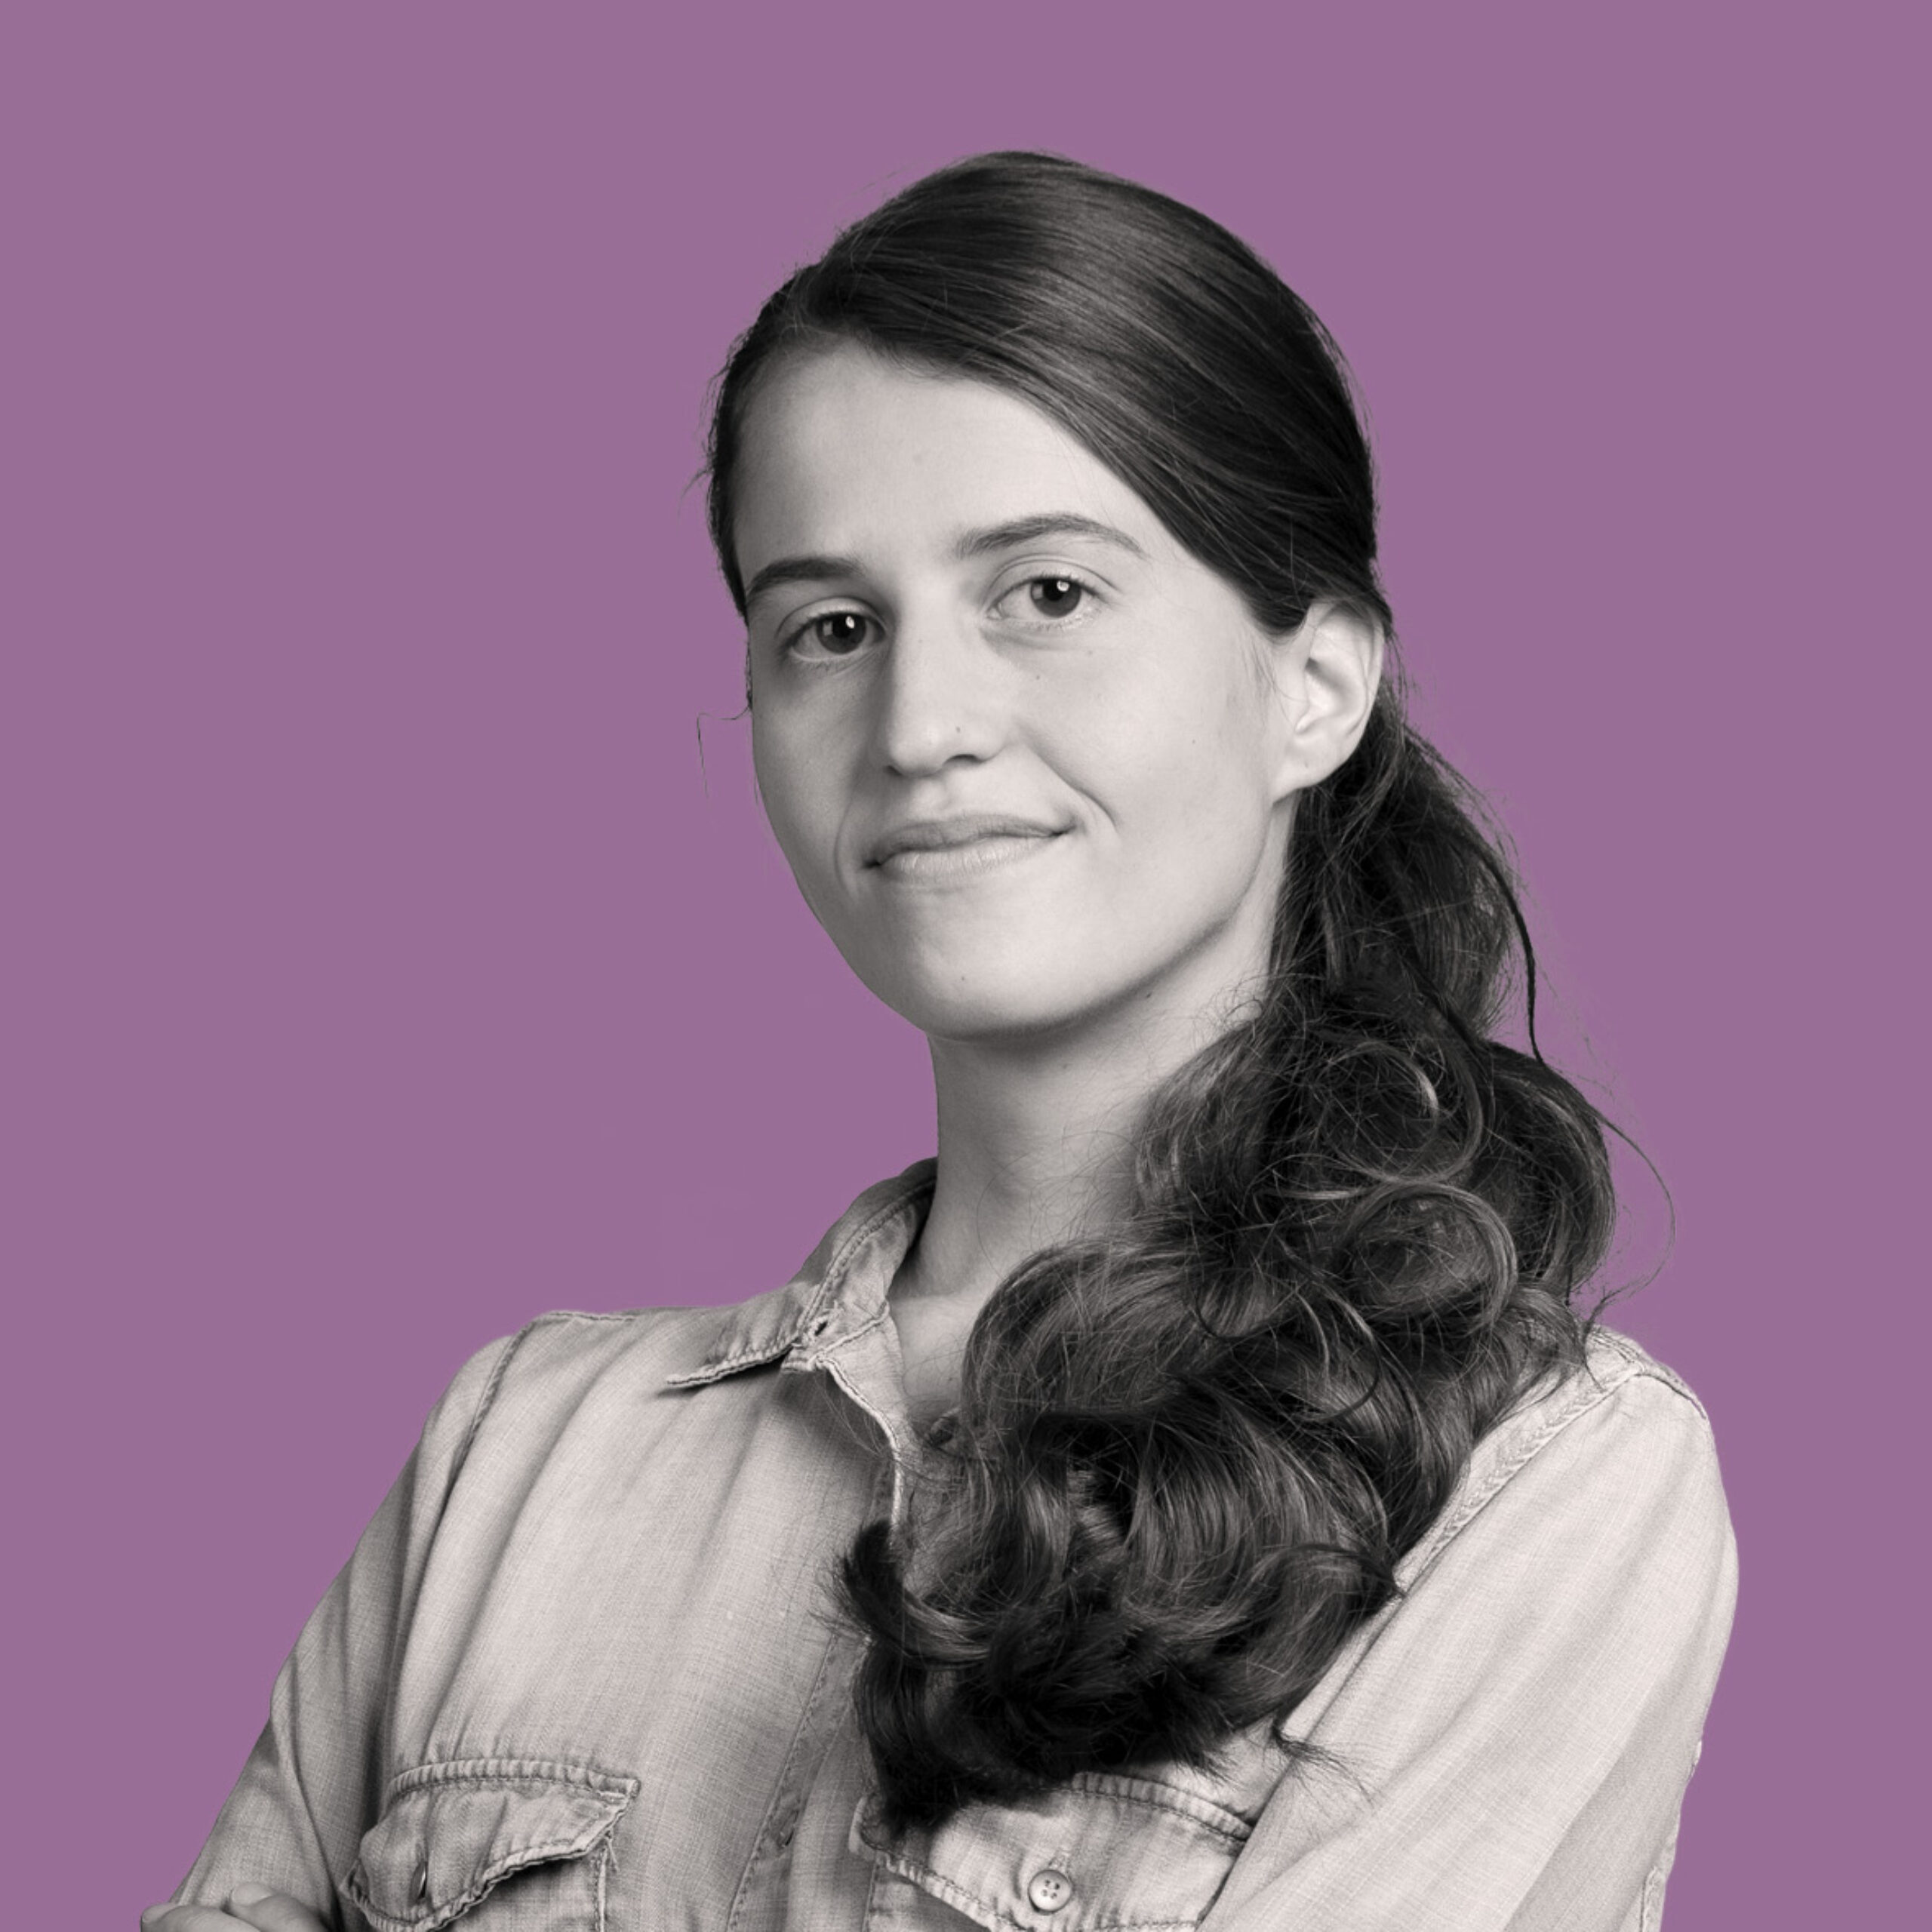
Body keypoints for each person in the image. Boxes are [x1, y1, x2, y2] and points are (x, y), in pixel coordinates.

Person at [144, 151, 1736, 1932]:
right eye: (830, 628)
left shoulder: (1538, 1481)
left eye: (1045, 594)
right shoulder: (512, 1453)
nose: (917, 725)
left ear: (1313, 686)